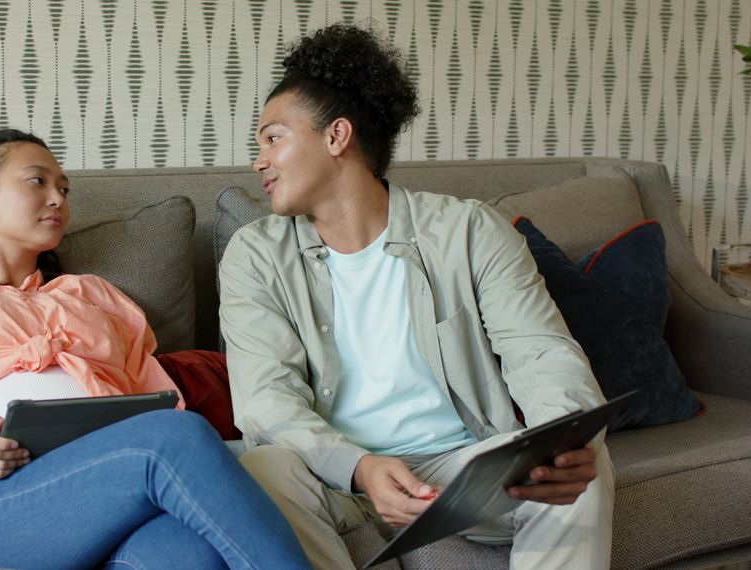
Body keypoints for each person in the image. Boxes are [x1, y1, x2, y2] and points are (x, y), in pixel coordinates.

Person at [218, 24, 614, 570]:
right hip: (333, 476)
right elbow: (266, 400)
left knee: (584, 464)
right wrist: (359, 466)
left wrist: (568, 437)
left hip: (460, 469)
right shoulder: (255, 254)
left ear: (336, 137)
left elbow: (542, 352)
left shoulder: (470, 231)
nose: (258, 160)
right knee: (260, 471)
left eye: (272, 137)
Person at [0, 128, 310, 570]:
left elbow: (153, 402)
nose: (58, 198)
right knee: (178, 436)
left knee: (191, 554)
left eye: (64, 189)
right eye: (38, 181)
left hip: (110, 495)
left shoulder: (93, 298)